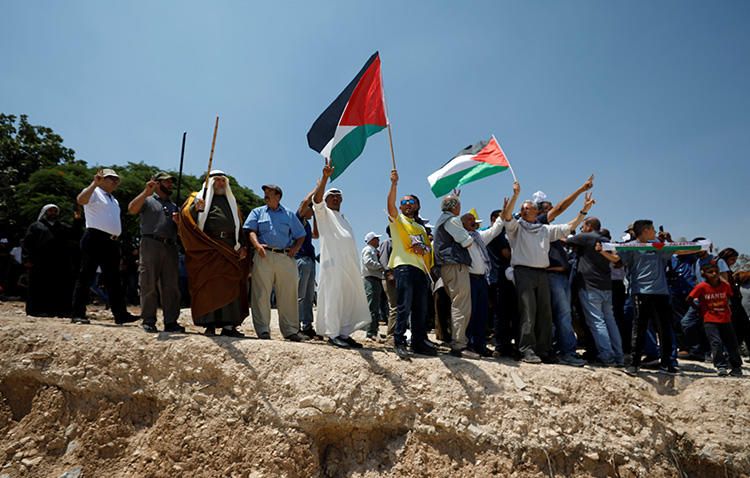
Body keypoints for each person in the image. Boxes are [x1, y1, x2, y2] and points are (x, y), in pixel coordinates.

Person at [501, 180, 593, 364]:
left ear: (537, 212)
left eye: (528, 208)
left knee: (545, 314)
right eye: (522, 208)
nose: (524, 211)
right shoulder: (516, 229)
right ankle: (526, 349)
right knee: (528, 312)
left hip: (541, 274)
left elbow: (570, 225)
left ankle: (544, 350)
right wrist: (515, 195)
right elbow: (507, 215)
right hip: (523, 273)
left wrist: (584, 211)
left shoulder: (544, 230)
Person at [598, 220, 695, 375]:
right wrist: (602, 251)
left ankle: (667, 363)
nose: (655, 232)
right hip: (640, 291)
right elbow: (617, 261)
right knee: (639, 327)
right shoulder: (630, 247)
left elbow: (678, 251)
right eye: (653, 230)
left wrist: (699, 247)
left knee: (664, 328)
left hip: (661, 292)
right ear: (645, 231)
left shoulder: (657, 244)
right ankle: (635, 364)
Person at [179, 170, 250, 337]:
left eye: (222, 181)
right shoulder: (197, 198)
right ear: (210, 182)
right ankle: (208, 324)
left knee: (229, 286)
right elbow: (185, 218)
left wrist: (243, 246)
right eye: (217, 180)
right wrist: (196, 209)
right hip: (207, 248)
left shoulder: (232, 203)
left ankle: (229, 326)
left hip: (229, 249)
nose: (220, 183)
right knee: (207, 286)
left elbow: (239, 227)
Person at [310, 158, 372, 348]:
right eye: (332, 195)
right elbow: (317, 201)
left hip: (349, 266)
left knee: (347, 298)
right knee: (333, 297)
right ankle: (333, 333)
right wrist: (324, 178)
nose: (336, 198)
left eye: (338, 196)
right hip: (333, 265)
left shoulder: (343, 218)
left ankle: (344, 333)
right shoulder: (324, 214)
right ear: (327, 200)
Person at [71, 168, 138, 325]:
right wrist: (94, 184)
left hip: (112, 241)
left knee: (114, 280)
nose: (115, 181)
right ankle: (77, 313)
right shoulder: (94, 191)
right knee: (86, 276)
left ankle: (120, 315)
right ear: (101, 179)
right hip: (95, 237)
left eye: (117, 179)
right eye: (110, 178)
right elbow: (81, 200)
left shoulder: (113, 200)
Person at [244, 183, 308, 341]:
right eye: (265, 192)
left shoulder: (289, 214)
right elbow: (250, 230)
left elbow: (301, 234)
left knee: (288, 294)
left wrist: (296, 248)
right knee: (261, 294)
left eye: (269, 192)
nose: (266, 194)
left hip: (285, 258)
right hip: (263, 255)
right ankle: (263, 331)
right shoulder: (257, 212)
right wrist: (256, 245)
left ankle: (290, 331)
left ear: (278, 196)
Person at [386, 169, 438, 359]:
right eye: (404, 202)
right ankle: (399, 341)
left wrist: (424, 251)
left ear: (417, 206)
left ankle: (418, 342)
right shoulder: (397, 221)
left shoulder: (421, 228)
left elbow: (426, 248)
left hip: (421, 270)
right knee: (404, 306)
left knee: (420, 308)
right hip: (404, 267)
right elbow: (390, 204)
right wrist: (394, 184)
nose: (407, 205)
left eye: (411, 202)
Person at [127, 172, 184, 333]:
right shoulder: (147, 200)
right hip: (150, 242)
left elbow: (182, 233)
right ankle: (148, 320)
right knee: (148, 282)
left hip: (171, 246)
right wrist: (146, 191)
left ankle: (171, 321)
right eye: (167, 182)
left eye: (172, 182)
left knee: (171, 286)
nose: (171, 185)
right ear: (157, 184)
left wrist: (179, 223)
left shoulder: (175, 207)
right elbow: (132, 209)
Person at [566, 217, 624, 366]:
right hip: (606, 286)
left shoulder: (587, 237)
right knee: (610, 321)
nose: (581, 230)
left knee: (597, 322)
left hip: (589, 286)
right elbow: (616, 259)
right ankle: (619, 355)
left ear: (589, 227)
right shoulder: (605, 239)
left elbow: (567, 240)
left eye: (583, 227)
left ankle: (607, 356)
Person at [433, 195, 475, 358]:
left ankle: (458, 342)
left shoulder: (443, 219)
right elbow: (467, 242)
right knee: (461, 305)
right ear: (455, 207)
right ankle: (459, 345)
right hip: (455, 265)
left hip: (447, 266)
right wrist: (467, 231)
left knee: (457, 304)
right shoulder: (451, 220)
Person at [22, 204, 79, 317]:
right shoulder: (36, 226)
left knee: (60, 286)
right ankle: (38, 310)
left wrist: (77, 220)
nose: (53, 213)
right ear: (45, 212)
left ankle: (60, 311)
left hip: (60, 262)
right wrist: (27, 259)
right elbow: (28, 243)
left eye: (55, 211)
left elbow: (75, 234)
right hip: (41, 262)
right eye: (50, 211)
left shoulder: (62, 226)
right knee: (40, 286)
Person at [461, 211, 504, 357]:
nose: (474, 221)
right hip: (469, 279)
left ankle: (479, 346)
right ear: (462, 224)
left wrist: (506, 210)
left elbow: (496, 228)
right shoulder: (460, 237)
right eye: (469, 220)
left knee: (482, 315)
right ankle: (467, 345)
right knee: (470, 315)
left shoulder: (479, 237)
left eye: (474, 219)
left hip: (482, 280)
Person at [688, 262, 743, 376]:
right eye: (710, 272)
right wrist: (699, 311)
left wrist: (726, 307)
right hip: (710, 319)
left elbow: (729, 295)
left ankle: (736, 366)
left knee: (732, 343)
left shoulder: (725, 285)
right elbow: (689, 298)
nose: (714, 274)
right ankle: (721, 366)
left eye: (716, 272)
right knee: (716, 342)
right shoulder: (701, 287)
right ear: (704, 274)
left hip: (725, 319)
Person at [486, 210, 518, 357]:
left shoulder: (494, 233)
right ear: (495, 219)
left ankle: (504, 345)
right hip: (500, 279)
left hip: (499, 279)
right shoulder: (497, 233)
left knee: (504, 313)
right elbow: (507, 254)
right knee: (502, 314)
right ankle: (502, 346)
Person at [295, 188, 319, 339]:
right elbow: (304, 202)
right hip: (301, 259)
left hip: (310, 261)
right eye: (311, 210)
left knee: (309, 296)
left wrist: (316, 215)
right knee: (300, 295)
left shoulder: (307, 224)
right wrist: (316, 190)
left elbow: (316, 235)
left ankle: (307, 326)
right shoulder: (297, 219)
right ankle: (295, 325)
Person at [718, 248, 750, 355]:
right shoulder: (722, 269)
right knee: (741, 327)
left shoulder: (728, 271)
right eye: (733, 259)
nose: (734, 262)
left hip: (735, 302)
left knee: (742, 327)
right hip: (732, 303)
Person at [362, 231, 386, 341]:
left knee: (375, 306)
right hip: (370, 279)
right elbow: (367, 262)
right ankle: (371, 332)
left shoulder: (373, 250)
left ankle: (374, 330)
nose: (378, 241)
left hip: (375, 279)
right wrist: (380, 267)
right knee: (372, 306)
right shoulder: (368, 250)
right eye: (376, 238)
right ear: (372, 240)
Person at [378, 226, 398, 341]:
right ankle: (391, 335)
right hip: (390, 278)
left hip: (398, 278)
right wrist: (389, 274)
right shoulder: (387, 242)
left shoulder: (399, 243)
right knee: (394, 306)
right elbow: (383, 260)